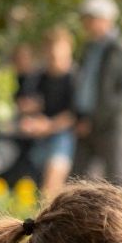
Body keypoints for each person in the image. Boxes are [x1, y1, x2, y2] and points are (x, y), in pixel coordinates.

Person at [73, 0, 122, 185]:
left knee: (118, 178)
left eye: (89, 19)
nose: (85, 24)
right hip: (84, 123)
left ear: (104, 19)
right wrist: (81, 117)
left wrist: (95, 119)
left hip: (111, 124)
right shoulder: (89, 47)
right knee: (78, 178)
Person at [19, 26, 79, 200]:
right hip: (36, 138)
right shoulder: (38, 77)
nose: (55, 60)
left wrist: (49, 126)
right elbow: (30, 103)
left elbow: (73, 115)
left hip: (63, 136)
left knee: (51, 184)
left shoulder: (74, 77)